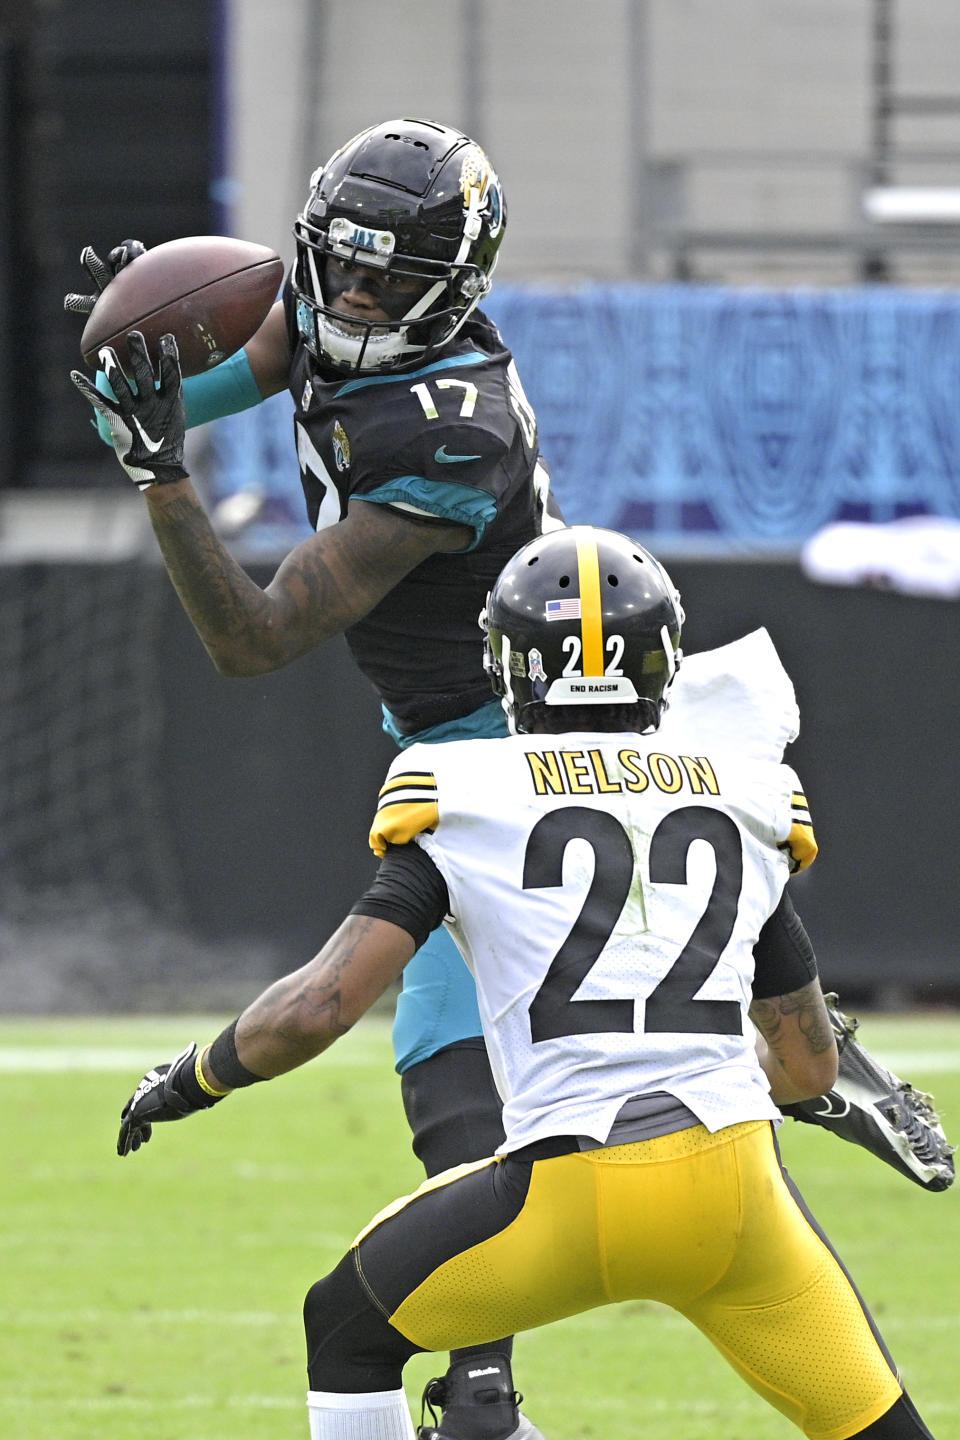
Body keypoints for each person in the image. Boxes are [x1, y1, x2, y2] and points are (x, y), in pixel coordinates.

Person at [68, 113, 951, 1432]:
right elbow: (202, 379)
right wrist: (123, 368)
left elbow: (253, 642)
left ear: (455, 284)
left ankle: (483, 1387)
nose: (354, 294)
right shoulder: (328, 305)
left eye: (387, 275)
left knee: (449, 1059)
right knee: (493, 1049)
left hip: (508, 736)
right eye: (341, 264)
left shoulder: (454, 431)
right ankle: (812, 1064)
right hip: (475, 728)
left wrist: (157, 480)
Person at [115, 526, 937, 1440]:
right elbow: (808, 1068)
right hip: (738, 1196)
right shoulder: (742, 792)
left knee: (345, 1330)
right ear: (665, 661)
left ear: (507, 664)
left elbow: (322, 1003)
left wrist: (195, 1076)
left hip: (570, 1191)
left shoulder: (462, 787)